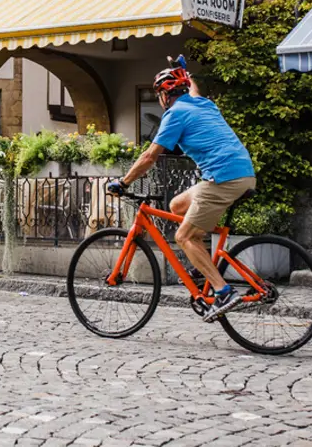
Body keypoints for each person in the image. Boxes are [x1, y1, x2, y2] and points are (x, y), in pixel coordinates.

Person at [107, 63, 256, 323]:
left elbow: (150, 155)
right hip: (241, 173)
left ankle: (223, 292)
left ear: (165, 96)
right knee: (177, 206)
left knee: (184, 236)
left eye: (159, 95)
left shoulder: (175, 114)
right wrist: (186, 72)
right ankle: (202, 266)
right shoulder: (203, 104)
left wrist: (124, 182)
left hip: (223, 177)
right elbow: (195, 91)